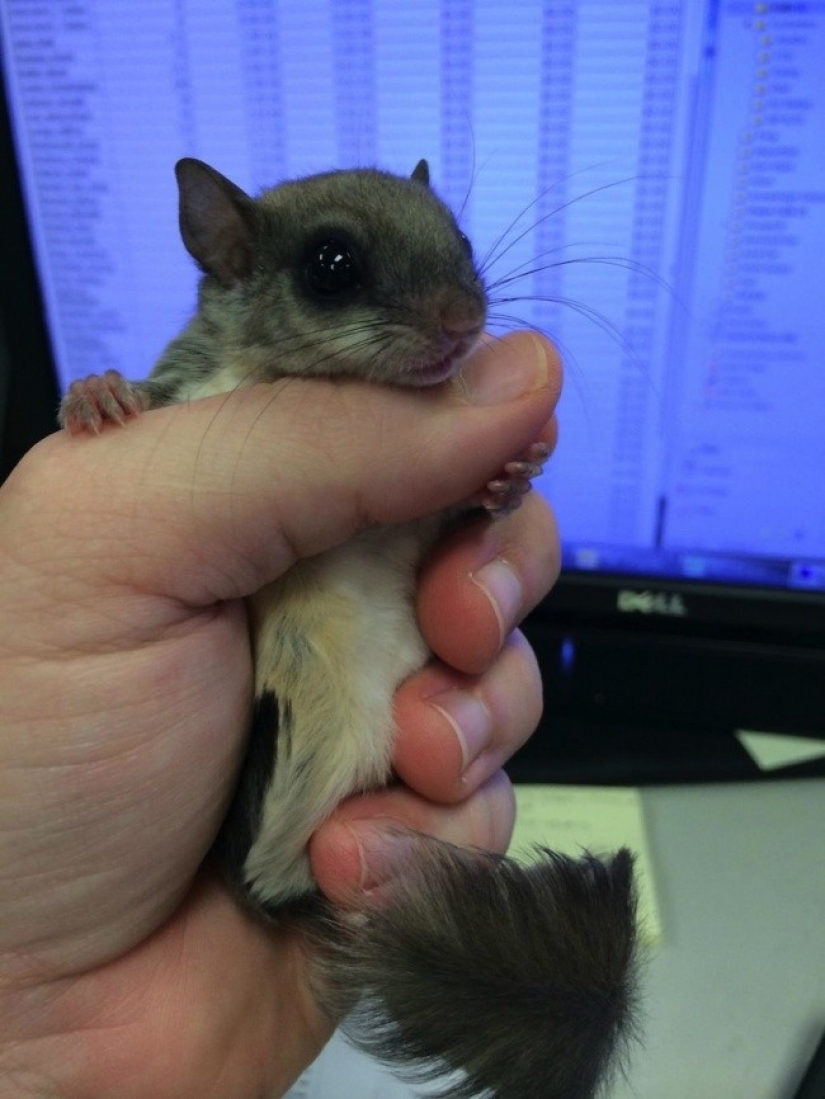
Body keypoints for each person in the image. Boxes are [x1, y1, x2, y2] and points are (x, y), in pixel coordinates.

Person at [0, 332, 562, 1097]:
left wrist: (489, 480)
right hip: (284, 781)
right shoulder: (221, 385)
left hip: (324, 774)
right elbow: (149, 430)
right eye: (336, 272)